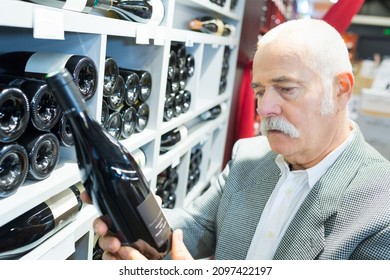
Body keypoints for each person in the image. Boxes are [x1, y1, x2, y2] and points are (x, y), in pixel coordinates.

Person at [91, 18, 390, 260]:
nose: (264, 108)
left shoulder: (381, 211)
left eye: (286, 89)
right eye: (260, 91)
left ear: (341, 90)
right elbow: (196, 227)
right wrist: (136, 226)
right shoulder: (248, 156)